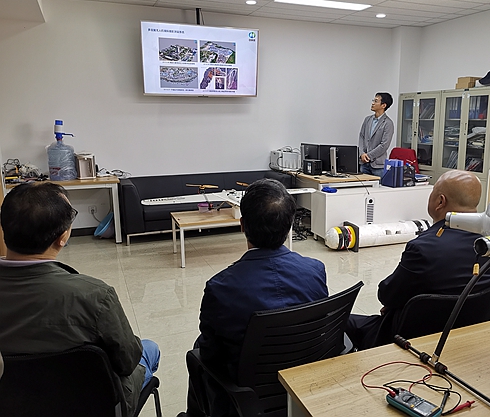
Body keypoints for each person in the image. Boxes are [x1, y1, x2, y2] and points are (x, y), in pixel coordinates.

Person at [0, 182, 160, 417]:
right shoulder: (94, 295)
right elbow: (127, 361)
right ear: (63, 237)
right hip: (94, 406)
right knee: (149, 348)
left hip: (11, 404)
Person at [180, 178, 328, 417]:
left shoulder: (220, 288)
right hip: (303, 391)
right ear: (290, 225)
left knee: (198, 349)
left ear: (242, 225)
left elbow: (210, 355)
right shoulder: (315, 270)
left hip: (247, 402)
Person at [346, 170, 490, 350]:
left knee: (344, 322)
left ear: (440, 202)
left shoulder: (423, 247)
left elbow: (387, 295)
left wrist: (393, 305)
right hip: (465, 338)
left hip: (407, 340)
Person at [359, 92, 394, 177]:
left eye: (376, 101)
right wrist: (362, 153)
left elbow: (384, 145)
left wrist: (368, 156)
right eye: (373, 100)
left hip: (378, 165)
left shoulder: (388, 123)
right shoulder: (367, 119)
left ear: (383, 105)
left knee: (378, 185)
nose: (373, 103)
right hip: (364, 163)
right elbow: (361, 137)